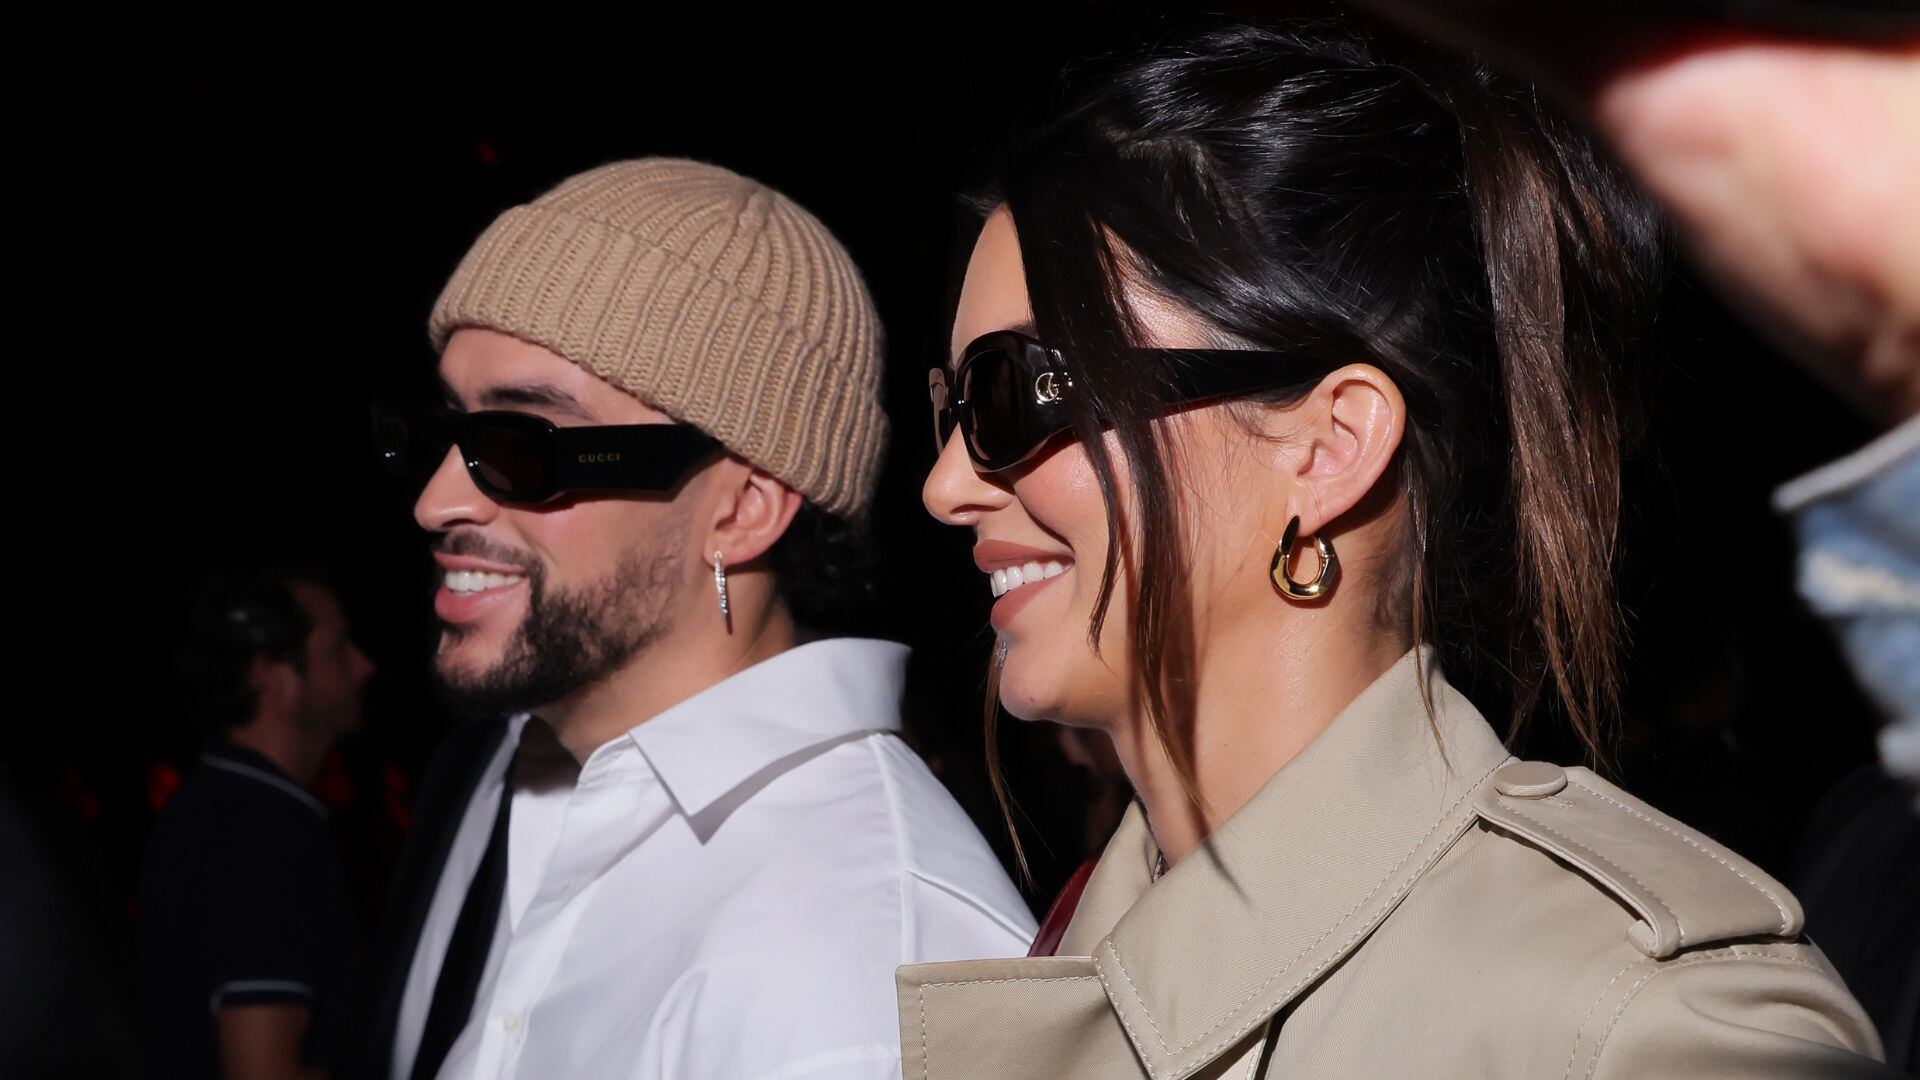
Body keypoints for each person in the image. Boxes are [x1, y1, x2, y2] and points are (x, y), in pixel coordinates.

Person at [901, 22, 1893, 1079]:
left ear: (1328, 448)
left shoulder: (1634, 1024)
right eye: (952, 405)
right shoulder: (1069, 958)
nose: (946, 484)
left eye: (1020, 392)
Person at [356, 158, 1033, 1080]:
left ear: (741, 510)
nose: (438, 502)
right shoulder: (511, 776)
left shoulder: (862, 962)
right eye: (444, 434)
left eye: (521, 446)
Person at [140, 569, 375, 1080]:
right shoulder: (261, 834)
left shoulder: (223, 805)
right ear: (271, 676)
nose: (364, 667)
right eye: (339, 648)